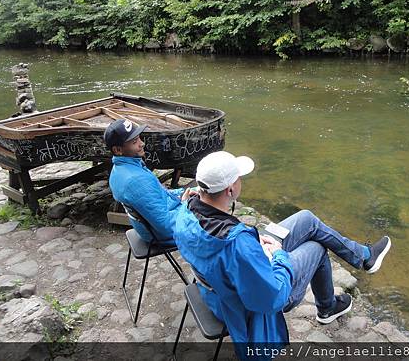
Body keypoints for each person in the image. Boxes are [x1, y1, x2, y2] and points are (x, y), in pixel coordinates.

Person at [174, 151, 391, 358]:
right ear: (230, 190)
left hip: (223, 278)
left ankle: (364, 256)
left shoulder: (187, 209)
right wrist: (278, 256)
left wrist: (254, 242)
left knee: (306, 219)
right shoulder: (237, 243)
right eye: (239, 178)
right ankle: (327, 307)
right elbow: (272, 298)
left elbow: (227, 246)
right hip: (244, 301)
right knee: (316, 248)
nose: (241, 181)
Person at [104, 118, 195, 244]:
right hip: (164, 234)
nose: (142, 144)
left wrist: (181, 194)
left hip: (153, 223)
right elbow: (166, 227)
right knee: (215, 210)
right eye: (135, 142)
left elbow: (159, 196)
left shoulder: (120, 169)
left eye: (140, 138)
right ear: (118, 150)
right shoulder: (136, 181)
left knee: (203, 191)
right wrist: (186, 204)